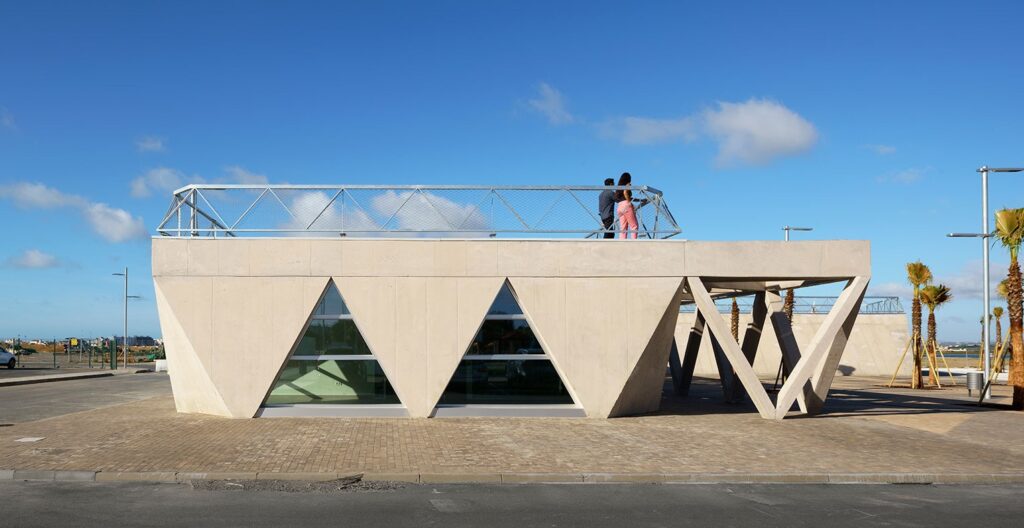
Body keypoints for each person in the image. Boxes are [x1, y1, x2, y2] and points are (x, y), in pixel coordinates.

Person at [615, 172, 638, 239]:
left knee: (623, 228)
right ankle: (633, 243)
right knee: (634, 226)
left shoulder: (618, 187)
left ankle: (622, 243)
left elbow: (624, 196)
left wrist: (640, 200)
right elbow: (625, 193)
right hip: (626, 205)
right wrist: (629, 203)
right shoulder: (627, 184)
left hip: (619, 207)